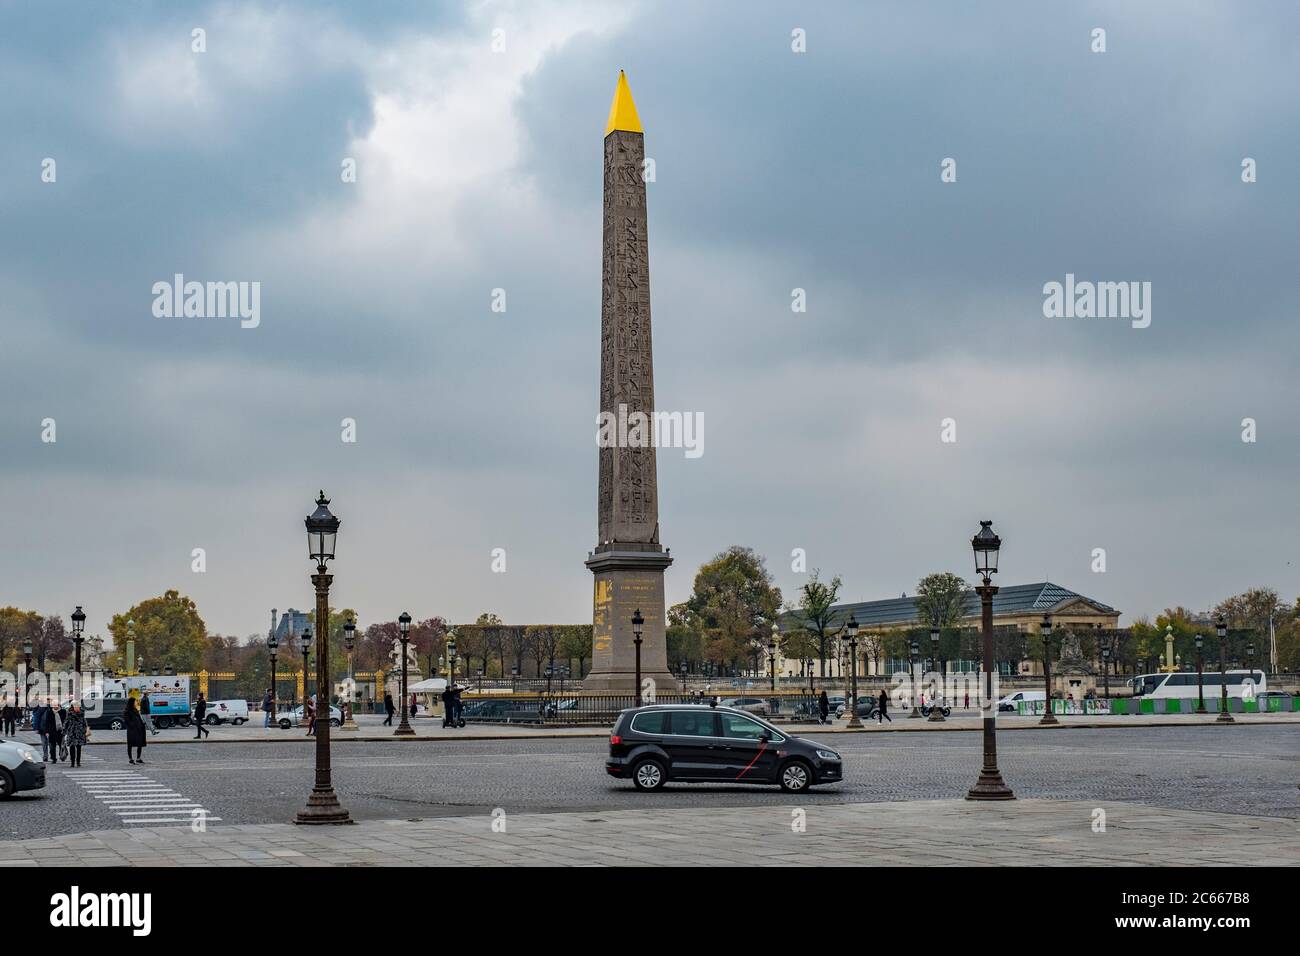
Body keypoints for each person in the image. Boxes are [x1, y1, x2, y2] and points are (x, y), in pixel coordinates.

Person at [64, 701, 88, 767]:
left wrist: (85, 730)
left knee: (79, 747)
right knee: (72, 748)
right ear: (73, 707)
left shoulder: (82, 713)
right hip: (72, 732)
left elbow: (84, 722)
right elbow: (66, 722)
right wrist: (64, 730)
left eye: (78, 707)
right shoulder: (69, 713)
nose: (77, 708)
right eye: (76, 706)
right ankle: (72, 762)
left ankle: (78, 762)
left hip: (79, 732)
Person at [124, 697, 146, 764]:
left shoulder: (135, 709)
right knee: (130, 744)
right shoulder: (127, 711)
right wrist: (133, 725)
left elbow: (139, 718)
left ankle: (138, 758)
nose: (136, 703)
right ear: (132, 702)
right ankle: (130, 759)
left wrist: (142, 724)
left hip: (139, 729)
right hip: (132, 730)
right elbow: (127, 721)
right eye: (135, 701)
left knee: (140, 743)